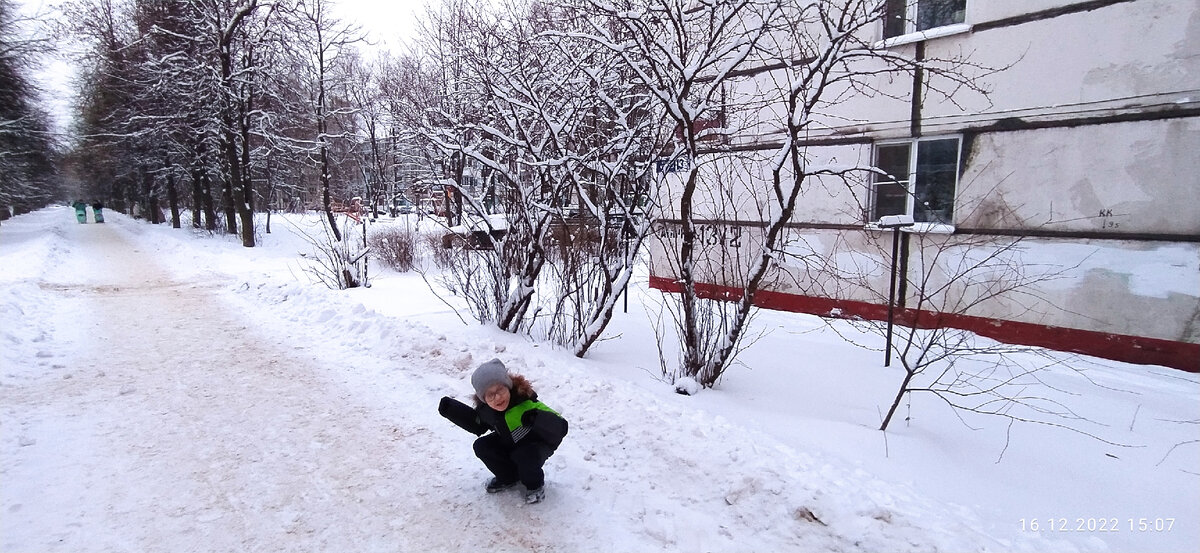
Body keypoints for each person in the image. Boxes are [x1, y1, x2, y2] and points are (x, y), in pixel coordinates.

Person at [439, 359, 568, 504]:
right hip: (511, 440)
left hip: (537, 444)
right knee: (482, 446)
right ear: (484, 399)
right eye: (490, 395)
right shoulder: (487, 410)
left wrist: (536, 419)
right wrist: (451, 410)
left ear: (508, 386)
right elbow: (478, 425)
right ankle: (508, 477)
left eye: (500, 390)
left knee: (524, 455)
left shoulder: (526, 404)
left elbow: (561, 426)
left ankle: (535, 486)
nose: (497, 397)